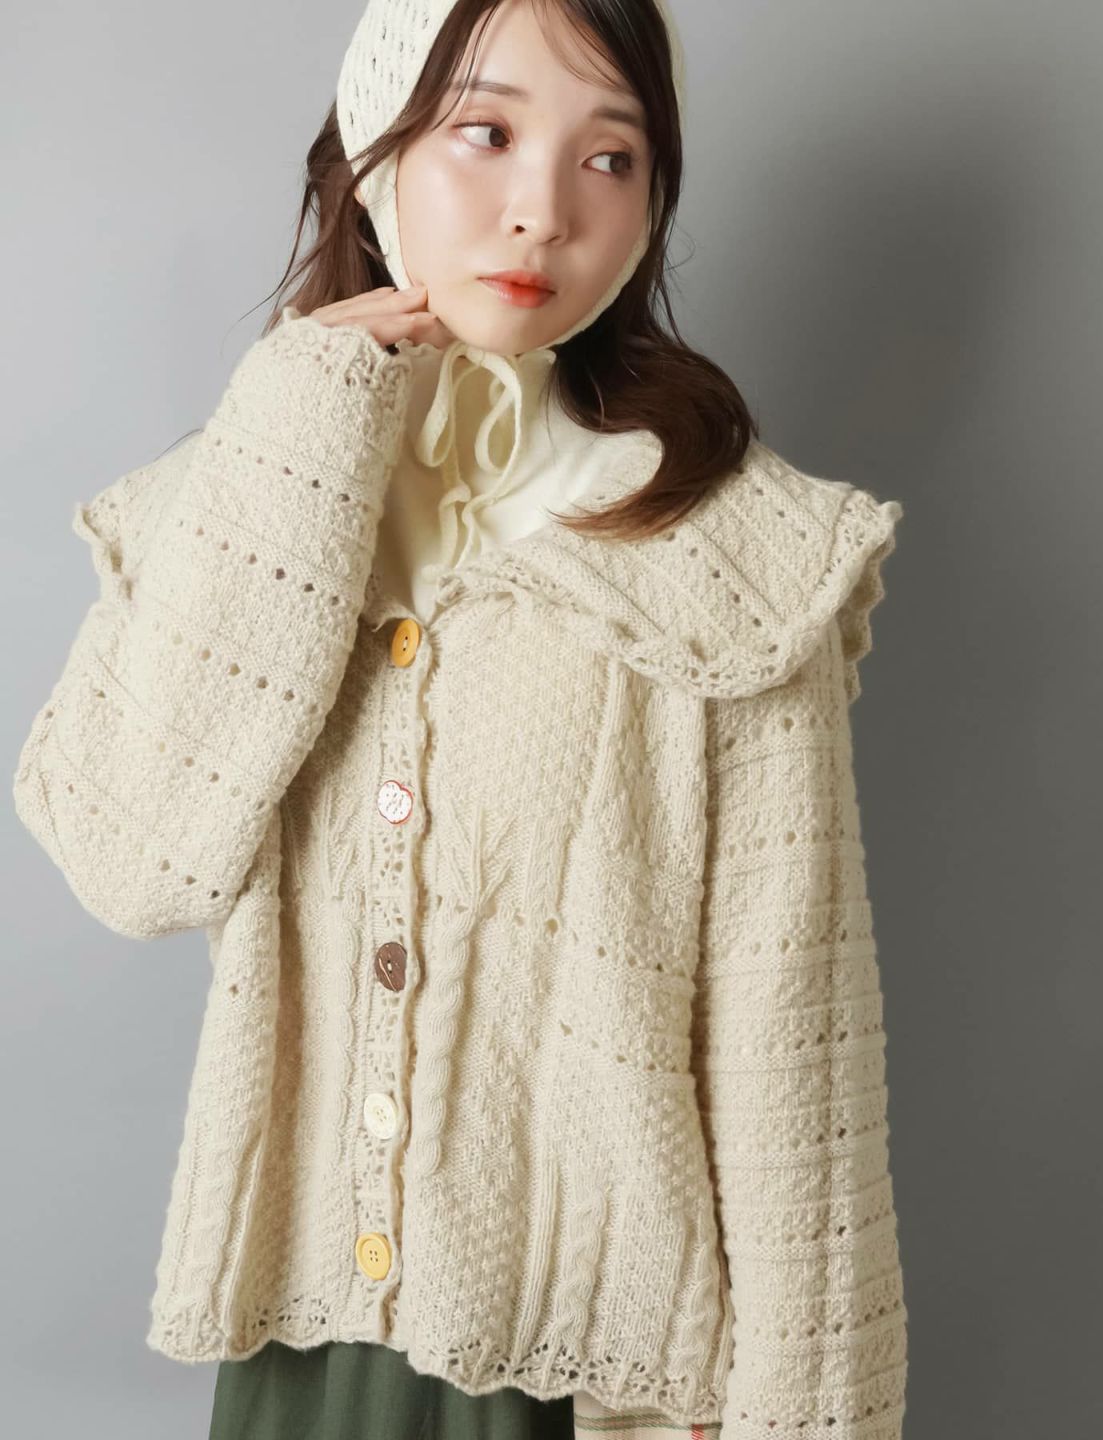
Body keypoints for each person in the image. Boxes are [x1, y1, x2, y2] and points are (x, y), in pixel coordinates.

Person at [11, 1, 910, 1437]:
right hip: (305, 1356)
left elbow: (795, 1053)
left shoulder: (733, 562)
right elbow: (135, 862)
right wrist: (299, 430)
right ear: (376, 157)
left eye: (611, 158)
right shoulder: (240, 501)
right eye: (483, 132)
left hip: (601, 1385)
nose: (543, 210)